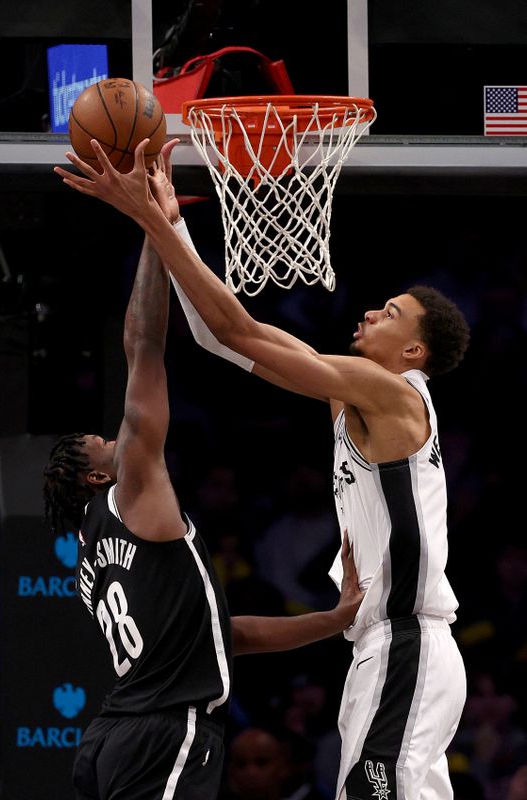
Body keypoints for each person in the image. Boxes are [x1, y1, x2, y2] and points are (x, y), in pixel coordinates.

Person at [53, 136, 472, 800]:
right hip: (379, 648)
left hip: (408, 641)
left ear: (414, 350)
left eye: (390, 313)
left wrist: (150, 220)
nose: (368, 311)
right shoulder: (352, 392)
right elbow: (221, 332)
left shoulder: (392, 391)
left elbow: (240, 334)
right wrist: (171, 223)